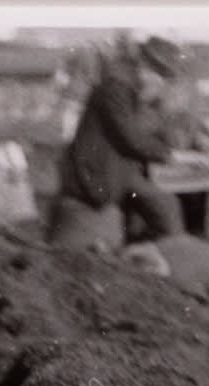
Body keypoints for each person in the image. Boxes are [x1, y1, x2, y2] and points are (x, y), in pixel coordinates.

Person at [49, 34, 184, 251]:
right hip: (95, 176)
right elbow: (129, 137)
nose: (161, 82)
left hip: (119, 171)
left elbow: (155, 130)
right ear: (144, 65)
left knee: (166, 207)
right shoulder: (116, 87)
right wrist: (173, 156)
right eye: (159, 74)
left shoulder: (137, 92)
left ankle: (163, 254)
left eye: (164, 77)